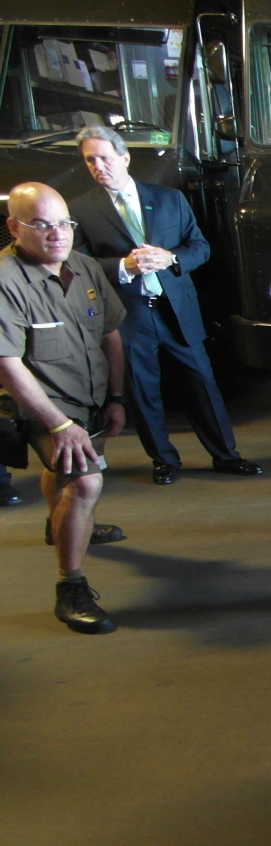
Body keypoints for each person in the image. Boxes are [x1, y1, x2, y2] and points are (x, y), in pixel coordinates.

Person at [69, 126, 261, 486]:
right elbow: (80, 264)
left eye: (104, 158)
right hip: (129, 314)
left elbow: (200, 247)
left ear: (124, 158)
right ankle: (163, 460)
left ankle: (226, 455)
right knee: (143, 391)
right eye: (90, 160)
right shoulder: (80, 209)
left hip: (177, 309)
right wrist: (123, 267)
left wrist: (170, 258)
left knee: (203, 383)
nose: (98, 166)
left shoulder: (169, 199)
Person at [0, 183, 127, 634]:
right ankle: (69, 587)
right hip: (33, 406)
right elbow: (7, 365)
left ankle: (61, 526)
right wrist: (59, 424)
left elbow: (110, 336)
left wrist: (116, 398)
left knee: (68, 480)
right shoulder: (6, 280)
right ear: (15, 227)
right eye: (41, 224)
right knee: (87, 483)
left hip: (87, 398)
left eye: (63, 223)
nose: (56, 234)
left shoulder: (86, 268)